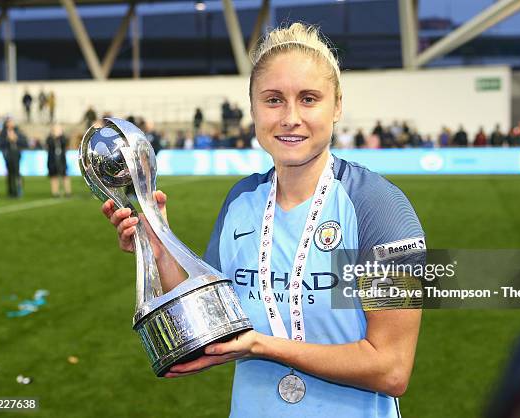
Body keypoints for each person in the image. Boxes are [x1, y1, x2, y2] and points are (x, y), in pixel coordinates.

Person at [102, 23, 423, 418]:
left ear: (337, 106)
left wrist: (261, 345)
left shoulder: (380, 207)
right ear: (252, 107)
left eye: (309, 99)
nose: (290, 117)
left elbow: (392, 368)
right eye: (273, 100)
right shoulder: (241, 201)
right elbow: (209, 321)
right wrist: (158, 245)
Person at [0, 119, 28, 198]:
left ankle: (19, 190)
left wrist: (16, 139)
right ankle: (11, 191)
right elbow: (0, 144)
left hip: (16, 155)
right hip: (8, 155)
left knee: (17, 173)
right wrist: (8, 139)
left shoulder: (18, 132)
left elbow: (24, 142)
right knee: (9, 174)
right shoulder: (3, 133)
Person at [46, 124, 71, 197]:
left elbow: (65, 143)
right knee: (53, 176)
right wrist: (54, 137)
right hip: (52, 160)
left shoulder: (63, 138)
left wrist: (59, 136)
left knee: (65, 175)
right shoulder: (49, 138)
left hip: (62, 160)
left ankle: (67, 192)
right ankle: (55, 193)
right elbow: (49, 144)